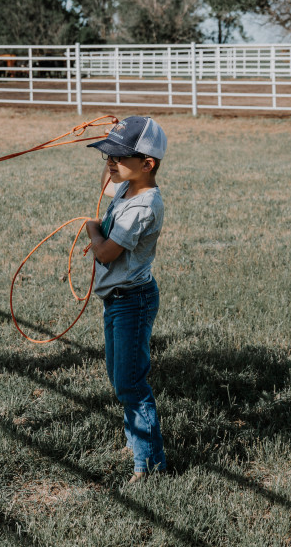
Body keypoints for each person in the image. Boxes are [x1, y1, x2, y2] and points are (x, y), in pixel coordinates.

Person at [85, 115, 167, 484]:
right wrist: (115, 140)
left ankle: (149, 466)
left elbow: (106, 254)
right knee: (120, 379)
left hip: (132, 301)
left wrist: (91, 228)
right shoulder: (126, 188)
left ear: (147, 164)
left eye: (117, 158)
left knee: (130, 383)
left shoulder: (142, 206)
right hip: (118, 299)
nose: (109, 164)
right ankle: (139, 443)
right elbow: (106, 185)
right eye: (108, 156)